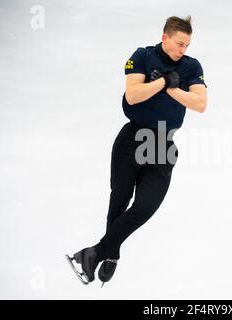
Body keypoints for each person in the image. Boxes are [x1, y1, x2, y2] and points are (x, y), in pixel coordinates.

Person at [66, 15, 207, 286]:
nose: (183, 50)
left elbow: (200, 104)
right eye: (179, 44)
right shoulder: (142, 55)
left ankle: (95, 252)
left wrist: (173, 88)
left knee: (145, 206)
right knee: (119, 198)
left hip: (163, 143)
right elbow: (133, 95)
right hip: (133, 137)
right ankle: (111, 254)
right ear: (165, 37)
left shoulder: (191, 67)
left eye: (187, 45)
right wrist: (164, 83)